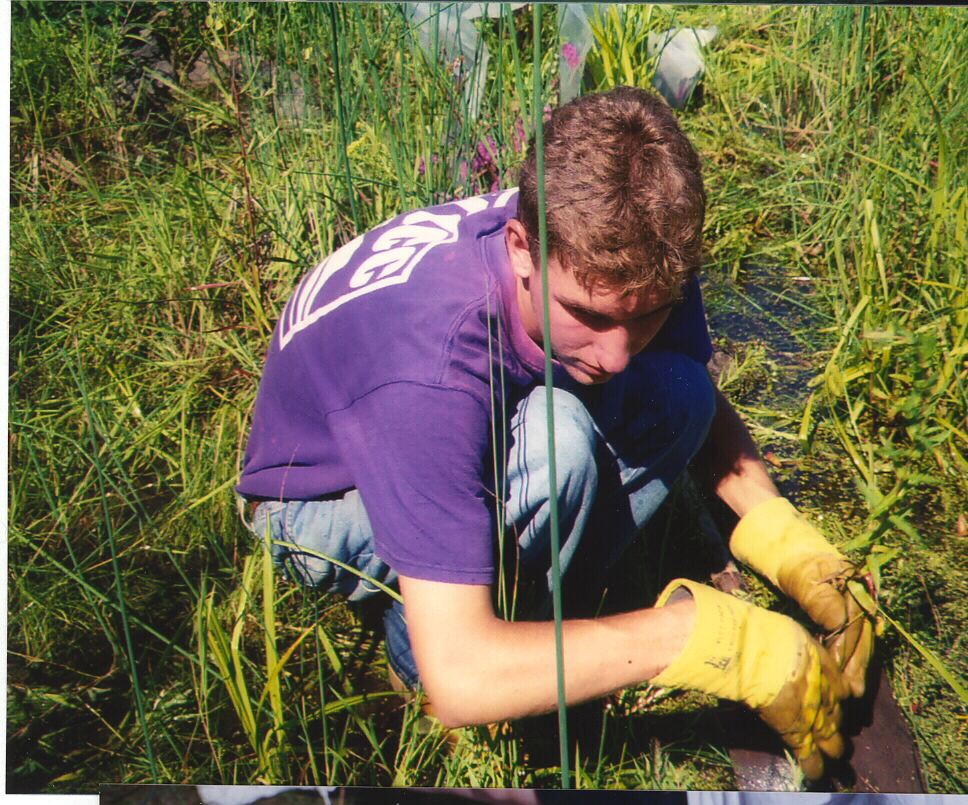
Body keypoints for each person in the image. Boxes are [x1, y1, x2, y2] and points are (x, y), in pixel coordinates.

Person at [235, 86, 874, 780]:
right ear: (520, 249)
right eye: (589, 316)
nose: (615, 354)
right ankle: (422, 661)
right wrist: (698, 638)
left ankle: (542, 622)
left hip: (435, 421)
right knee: (557, 446)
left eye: (646, 316)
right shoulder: (432, 363)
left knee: (680, 395)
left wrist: (786, 539)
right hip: (315, 496)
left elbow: (684, 383)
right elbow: (461, 679)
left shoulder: (636, 249)